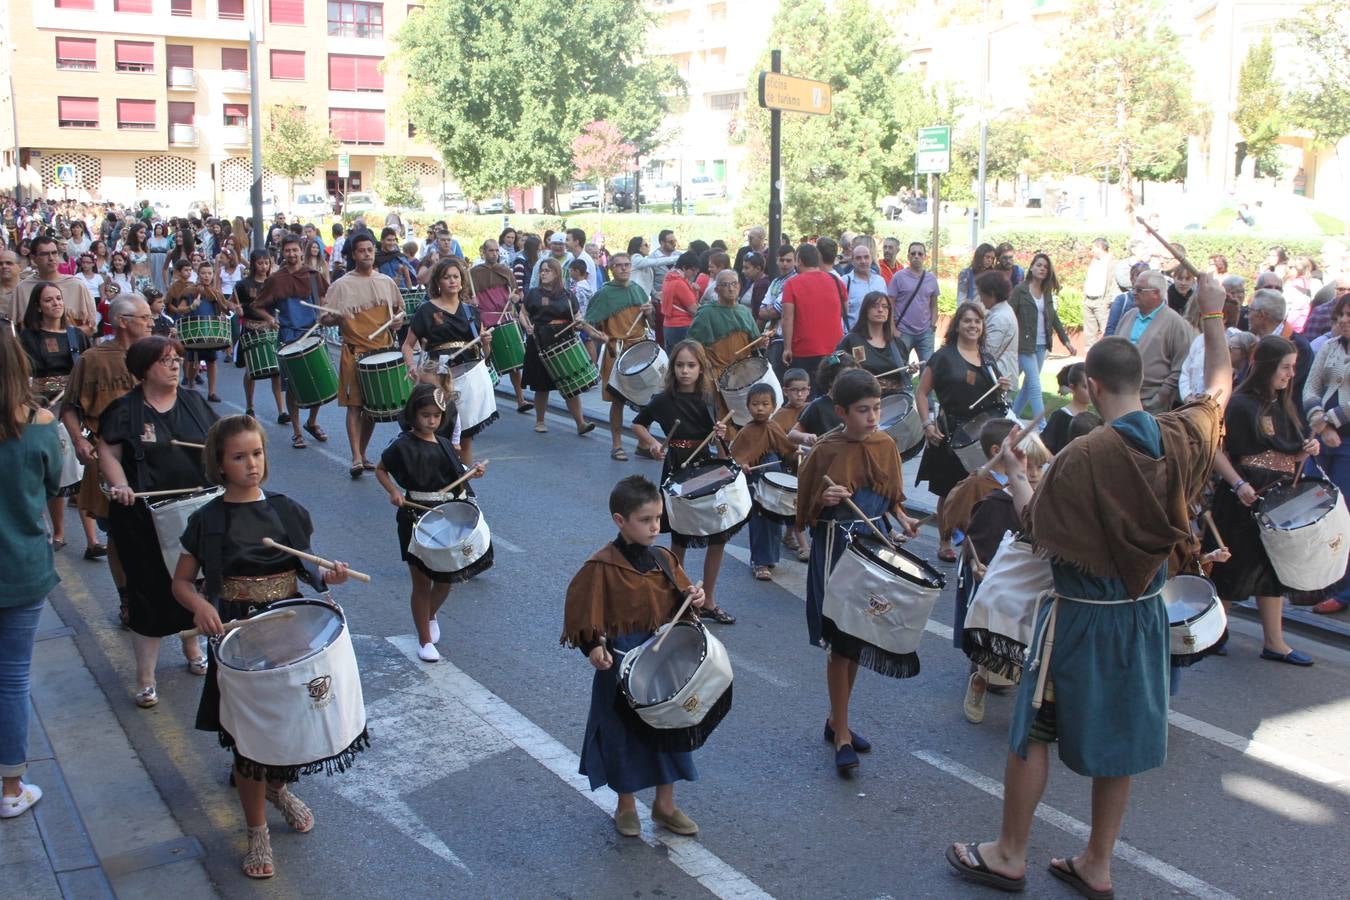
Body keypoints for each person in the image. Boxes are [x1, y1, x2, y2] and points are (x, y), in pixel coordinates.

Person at [945, 274, 1231, 897]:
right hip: (1145, 611)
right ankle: (1097, 862)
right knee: (1122, 739)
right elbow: (1218, 388)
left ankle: (1009, 853)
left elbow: (1037, 530)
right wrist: (1212, 316)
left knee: (1031, 733)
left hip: (1078, 614)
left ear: (1092, 387)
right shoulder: (1181, 435)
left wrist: (1018, 474)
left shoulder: (1082, 455)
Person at [170, 415, 362, 879]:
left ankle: (279, 789)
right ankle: (256, 830)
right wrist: (198, 605)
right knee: (249, 740)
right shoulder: (206, 520)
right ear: (220, 464)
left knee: (291, 727)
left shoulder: (286, 510)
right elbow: (180, 582)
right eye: (239, 457)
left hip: (289, 632)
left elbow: (310, 573)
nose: (251, 464)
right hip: (238, 638)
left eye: (257, 454)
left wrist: (329, 575)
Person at [559, 474, 710, 838]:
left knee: (670, 729)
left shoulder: (663, 559)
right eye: (646, 520)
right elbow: (584, 613)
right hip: (622, 663)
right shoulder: (601, 566)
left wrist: (695, 598)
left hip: (665, 662)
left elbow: (682, 602)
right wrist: (594, 647)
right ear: (620, 521)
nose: (655, 527)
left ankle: (665, 805)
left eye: (658, 519)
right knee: (623, 734)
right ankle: (625, 805)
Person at [796, 369, 920, 776]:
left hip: (871, 548)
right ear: (841, 412)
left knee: (858, 640)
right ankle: (843, 734)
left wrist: (900, 519)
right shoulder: (824, 450)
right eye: (863, 410)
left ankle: (838, 722)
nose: (872, 417)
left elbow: (889, 497)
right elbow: (801, 513)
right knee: (840, 642)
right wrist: (823, 497)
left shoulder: (885, 444)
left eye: (877, 408)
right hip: (835, 551)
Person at [98, 336, 217, 707]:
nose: (174, 365)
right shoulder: (124, 410)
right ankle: (146, 676)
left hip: (194, 513)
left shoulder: (195, 403)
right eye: (165, 360)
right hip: (144, 518)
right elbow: (108, 451)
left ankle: (192, 645)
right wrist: (120, 485)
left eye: (177, 359)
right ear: (144, 368)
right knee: (149, 591)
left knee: (193, 586)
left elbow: (218, 447)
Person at [1210, 335, 1321, 664]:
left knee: (1273, 569)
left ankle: (1275, 642)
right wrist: (1238, 483)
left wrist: (1307, 450)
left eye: (1293, 368)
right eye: (1285, 368)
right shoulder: (1241, 403)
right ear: (1269, 367)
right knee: (1233, 566)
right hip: (1243, 496)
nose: (1290, 375)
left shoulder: (1283, 403)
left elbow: (1289, 452)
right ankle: (1213, 632)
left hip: (1276, 496)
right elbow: (1216, 450)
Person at [376, 384, 489, 661]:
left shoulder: (443, 444)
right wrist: (394, 492)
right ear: (413, 414)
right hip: (415, 517)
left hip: (445, 515)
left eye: (436, 416)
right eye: (425, 415)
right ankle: (424, 640)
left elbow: (456, 474)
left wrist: (472, 473)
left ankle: (428, 615)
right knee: (421, 582)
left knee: (446, 579)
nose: (431, 421)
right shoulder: (402, 445)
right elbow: (380, 469)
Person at [0, 330, 62, 820]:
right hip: (21, 564)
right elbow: (54, 484)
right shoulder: (40, 424)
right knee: (13, 679)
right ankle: (11, 786)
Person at [630, 341, 737, 625]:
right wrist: (653, 444)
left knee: (718, 536)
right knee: (680, 538)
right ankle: (678, 598)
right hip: (677, 468)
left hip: (704, 469)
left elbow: (722, 446)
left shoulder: (707, 398)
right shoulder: (663, 400)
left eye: (691, 365)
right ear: (672, 368)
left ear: (701, 368)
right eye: (680, 365)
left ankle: (708, 601)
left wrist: (720, 434)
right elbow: (638, 423)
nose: (685, 371)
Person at [61, 294, 151, 610]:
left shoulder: (156, 354)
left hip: (152, 457)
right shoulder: (93, 359)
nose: (151, 322)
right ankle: (127, 597)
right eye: (145, 316)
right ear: (123, 322)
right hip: (108, 456)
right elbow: (69, 408)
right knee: (117, 532)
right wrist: (79, 441)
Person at [915, 303, 1010, 561]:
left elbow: (998, 401)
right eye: (967, 321)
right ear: (957, 325)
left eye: (977, 322)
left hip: (982, 434)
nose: (973, 326)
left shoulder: (987, 359)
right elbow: (922, 392)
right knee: (948, 490)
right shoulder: (943, 356)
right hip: (950, 432)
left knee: (980, 488)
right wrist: (927, 424)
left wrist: (1002, 387)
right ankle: (945, 540)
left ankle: (973, 538)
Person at [18, 281, 97, 554]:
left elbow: (88, 368)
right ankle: (60, 532)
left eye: (59, 298)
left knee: (81, 469)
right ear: (38, 306)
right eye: (49, 300)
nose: (56, 303)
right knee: (58, 471)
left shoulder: (76, 335)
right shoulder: (28, 338)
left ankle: (92, 540)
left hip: (74, 408)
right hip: (44, 411)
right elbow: (23, 376)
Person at [322, 232, 404, 476]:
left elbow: (399, 313)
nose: (367, 254)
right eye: (361, 251)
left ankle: (363, 452)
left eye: (370, 250)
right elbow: (324, 319)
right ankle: (356, 457)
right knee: (355, 407)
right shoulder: (341, 285)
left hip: (383, 352)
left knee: (373, 409)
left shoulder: (386, 282)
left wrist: (396, 323)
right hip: (355, 352)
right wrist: (336, 317)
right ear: (353, 255)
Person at [253, 235, 328, 449]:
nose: (292, 254)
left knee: (319, 382)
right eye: (288, 251)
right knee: (293, 387)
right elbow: (258, 306)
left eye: (295, 250)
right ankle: (296, 432)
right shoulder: (276, 280)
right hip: (288, 337)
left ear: (301, 251)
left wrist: (323, 313)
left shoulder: (313, 276)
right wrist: (270, 319)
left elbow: (323, 299)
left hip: (312, 335)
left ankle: (312, 422)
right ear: (282, 252)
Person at [1303, 293, 1350, 613]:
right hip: (1323, 441)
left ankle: (1344, 590)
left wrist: (1331, 421)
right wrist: (1319, 423)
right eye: (1341, 315)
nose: (1344, 320)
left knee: (1345, 514)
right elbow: (1310, 387)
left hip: (1347, 443)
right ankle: (1321, 579)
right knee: (1317, 508)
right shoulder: (1330, 347)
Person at [578, 252, 649, 460]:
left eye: (627, 265)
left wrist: (649, 312)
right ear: (611, 268)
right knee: (617, 401)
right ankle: (617, 444)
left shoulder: (638, 290)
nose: (624, 268)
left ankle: (643, 443)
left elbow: (647, 322)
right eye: (619, 265)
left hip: (639, 349)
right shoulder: (604, 294)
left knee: (645, 401)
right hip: (616, 349)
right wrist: (598, 335)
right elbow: (588, 323)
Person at [518, 257, 594, 437]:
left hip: (563, 342)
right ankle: (540, 421)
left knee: (570, 385)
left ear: (557, 273)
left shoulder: (567, 295)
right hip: (539, 341)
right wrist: (526, 325)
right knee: (541, 385)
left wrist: (578, 323)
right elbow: (523, 313)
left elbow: (577, 316)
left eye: (548, 270)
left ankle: (581, 423)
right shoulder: (533, 294)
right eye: (542, 270)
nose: (543, 273)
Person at [731, 382, 798, 580]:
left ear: (773, 406)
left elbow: (788, 452)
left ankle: (769, 558)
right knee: (759, 519)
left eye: (765, 404)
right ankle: (759, 562)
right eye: (755, 404)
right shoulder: (746, 431)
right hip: (756, 482)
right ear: (748, 406)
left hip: (775, 484)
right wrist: (742, 465)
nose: (760, 408)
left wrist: (797, 453)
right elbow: (735, 458)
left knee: (774, 519)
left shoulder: (774, 427)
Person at [1114, 269, 1194, 413]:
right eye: (1134, 288)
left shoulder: (1175, 323)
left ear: (1156, 293)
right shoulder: (1129, 316)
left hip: (1150, 404)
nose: (1134, 293)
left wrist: (1161, 396)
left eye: (1139, 289)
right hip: (1119, 398)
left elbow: (1181, 366)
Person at [1009, 253, 1076, 422]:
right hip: (1024, 345)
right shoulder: (1020, 290)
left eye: (1045, 267)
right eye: (1039, 265)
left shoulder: (1046, 293)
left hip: (1041, 345)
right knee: (1034, 385)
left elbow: (1053, 318)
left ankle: (1012, 417)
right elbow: (1008, 315)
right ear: (1031, 267)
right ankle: (1042, 426)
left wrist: (1066, 341)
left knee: (1028, 385)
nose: (1042, 269)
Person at [688, 268, 762, 401]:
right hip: (716, 375)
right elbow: (691, 345)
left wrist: (763, 341)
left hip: (742, 374)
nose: (731, 288)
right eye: (726, 285)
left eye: (735, 284)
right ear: (716, 290)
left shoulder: (744, 311)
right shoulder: (706, 313)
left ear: (740, 286)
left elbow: (754, 344)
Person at [781, 243, 846, 390]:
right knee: (831, 391)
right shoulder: (837, 282)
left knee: (804, 395)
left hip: (804, 349)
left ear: (799, 261)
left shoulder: (791, 284)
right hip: (834, 349)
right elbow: (844, 311)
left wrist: (787, 348)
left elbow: (787, 318)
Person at [234, 251, 285, 421]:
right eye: (260, 263)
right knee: (251, 369)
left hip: (270, 330)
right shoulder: (243, 285)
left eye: (266, 263)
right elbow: (233, 303)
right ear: (253, 264)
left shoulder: (274, 283)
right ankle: (249, 406)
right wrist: (236, 308)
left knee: (276, 371)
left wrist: (275, 320)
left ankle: (282, 411)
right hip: (250, 329)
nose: (264, 267)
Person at [166, 260, 226, 401]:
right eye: (203, 273)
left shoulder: (215, 293)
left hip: (210, 331)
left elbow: (221, 309)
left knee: (212, 361)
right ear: (198, 274)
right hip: (194, 331)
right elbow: (180, 311)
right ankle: (191, 384)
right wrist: (192, 306)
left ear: (213, 275)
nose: (207, 276)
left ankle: (212, 393)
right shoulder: (190, 291)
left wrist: (228, 310)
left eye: (209, 273)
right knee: (194, 361)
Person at [19, 234, 97, 336]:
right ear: (33, 258)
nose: (51, 258)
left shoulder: (77, 285)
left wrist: (62, 337)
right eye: (44, 254)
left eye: (54, 253)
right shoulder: (22, 288)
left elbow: (91, 327)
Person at [835, 291, 910, 396]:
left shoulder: (898, 344)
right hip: (860, 399)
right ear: (866, 310)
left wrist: (908, 371)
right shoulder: (851, 340)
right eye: (875, 306)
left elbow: (902, 373)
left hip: (895, 402)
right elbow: (833, 364)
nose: (880, 310)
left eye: (885, 307)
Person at [887, 242, 940, 366]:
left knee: (928, 368)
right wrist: (893, 329)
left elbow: (934, 304)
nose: (916, 256)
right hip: (903, 331)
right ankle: (905, 386)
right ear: (908, 256)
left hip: (925, 333)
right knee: (901, 368)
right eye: (913, 253)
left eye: (920, 253)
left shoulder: (931, 279)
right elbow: (890, 305)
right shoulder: (898, 277)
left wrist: (932, 325)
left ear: (925, 257)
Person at [1043, 363, 1091, 454]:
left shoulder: (1093, 419)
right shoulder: (1060, 416)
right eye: (1085, 387)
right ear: (1072, 388)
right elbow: (1044, 448)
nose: (1091, 390)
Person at [660, 250, 701, 351]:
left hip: (669, 326)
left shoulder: (669, 277)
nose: (695, 273)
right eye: (693, 270)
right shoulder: (679, 283)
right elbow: (694, 310)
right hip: (681, 327)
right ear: (684, 268)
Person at [1081, 238, 1115, 347]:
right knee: (1090, 334)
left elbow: (1113, 284)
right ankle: (1090, 359)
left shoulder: (1112, 262)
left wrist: (1107, 301)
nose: (1092, 251)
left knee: (1106, 330)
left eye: (1094, 248)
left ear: (1101, 247)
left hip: (1101, 302)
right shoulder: (1094, 261)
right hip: (1088, 300)